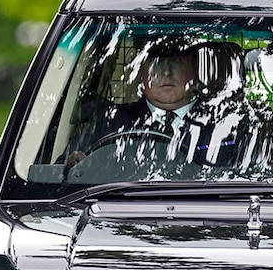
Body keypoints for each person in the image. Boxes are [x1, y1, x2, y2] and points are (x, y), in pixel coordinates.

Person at [66, 41, 241, 173]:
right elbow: (61, 172)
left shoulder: (229, 123)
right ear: (141, 71)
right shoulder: (107, 121)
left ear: (195, 69)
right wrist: (75, 165)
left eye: (177, 62)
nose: (166, 72)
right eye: (156, 63)